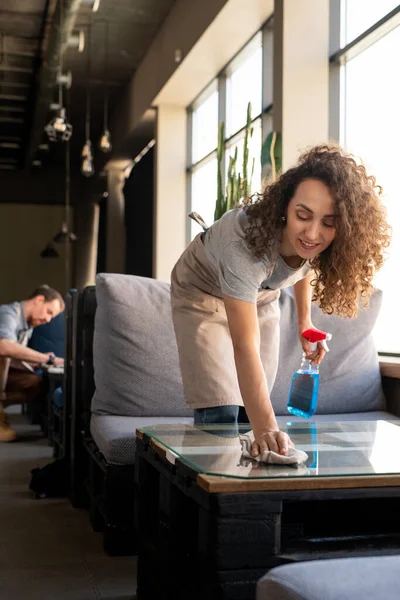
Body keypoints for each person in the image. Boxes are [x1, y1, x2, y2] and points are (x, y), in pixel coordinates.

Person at [171, 143, 391, 458]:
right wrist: (268, 430)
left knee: (254, 408)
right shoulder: (243, 245)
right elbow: (243, 347)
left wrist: (304, 322)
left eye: (328, 222)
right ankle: (208, 494)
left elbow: (302, 267)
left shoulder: (317, 241)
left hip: (259, 294)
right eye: (303, 216)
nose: (313, 233)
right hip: (202, 291)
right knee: (220, 406)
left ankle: (250, 496)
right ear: (284, 208)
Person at [0, 285, 65, 442]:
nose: (48, 320)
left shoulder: (28, 325)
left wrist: (36, 362)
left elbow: (13, 356)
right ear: (39, 300)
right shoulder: (8, 313)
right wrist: (47, 359)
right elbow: (4, 347)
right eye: (49, 312)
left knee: (34, 383)